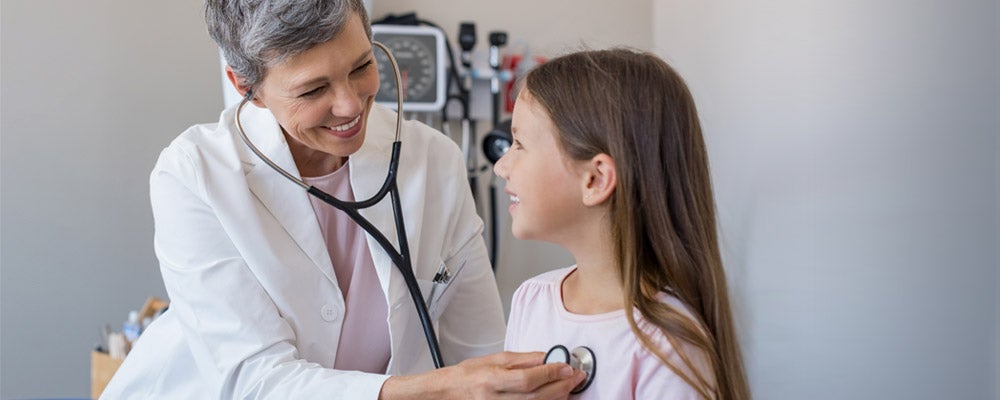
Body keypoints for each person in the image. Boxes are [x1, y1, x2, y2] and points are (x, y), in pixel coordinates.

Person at [101, 0, 585, 398]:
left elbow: (478, 348)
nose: (351, 104)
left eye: (362, 66)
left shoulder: (431, 159)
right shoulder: (194, 175)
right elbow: (254, 382)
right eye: (313, 89)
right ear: (246, 87)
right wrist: (436, 390)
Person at [494, 48, 752, 399]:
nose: (500, 166)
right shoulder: (532, 299)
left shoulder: (666, 345)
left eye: (519, 144)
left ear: (596, 179)